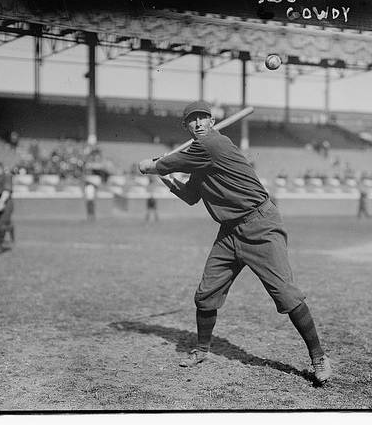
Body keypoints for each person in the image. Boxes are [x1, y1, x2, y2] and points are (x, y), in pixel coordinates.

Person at [138, 101, 331, 385]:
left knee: (286, 295)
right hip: (229, 232)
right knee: (206, 294)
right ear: (186, 126)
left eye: (203, 118)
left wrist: (153, 166)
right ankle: (202, 350)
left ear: (212, 121)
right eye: (192, 120)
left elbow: (171, 163)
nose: (199, 123)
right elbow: (191, 196)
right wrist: (166, 178)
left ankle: (319, 357)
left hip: (260, 225)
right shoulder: (200, 157)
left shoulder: (213, 144)